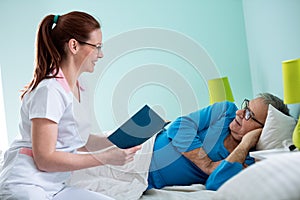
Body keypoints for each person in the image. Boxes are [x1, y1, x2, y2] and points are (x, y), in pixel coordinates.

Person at [0, 11, 141, 200]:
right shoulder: (49, 90)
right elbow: (45, 159)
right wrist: (105, 158)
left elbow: (76, 139)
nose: (101, 54)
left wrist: (119, 137)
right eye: (97, 47)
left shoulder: (80, 87)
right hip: (25, 184)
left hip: (56, 186)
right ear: (74, 45)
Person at [147, 93, 290, 191]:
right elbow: (178, 127)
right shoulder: (225, 111)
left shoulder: (247, 160)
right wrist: (207, 165)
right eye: (245, 107)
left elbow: (215, 183)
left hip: (148, 180)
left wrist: (245, 144)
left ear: (261, 131)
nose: (239, 113)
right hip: (144, 148)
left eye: (249, 115)